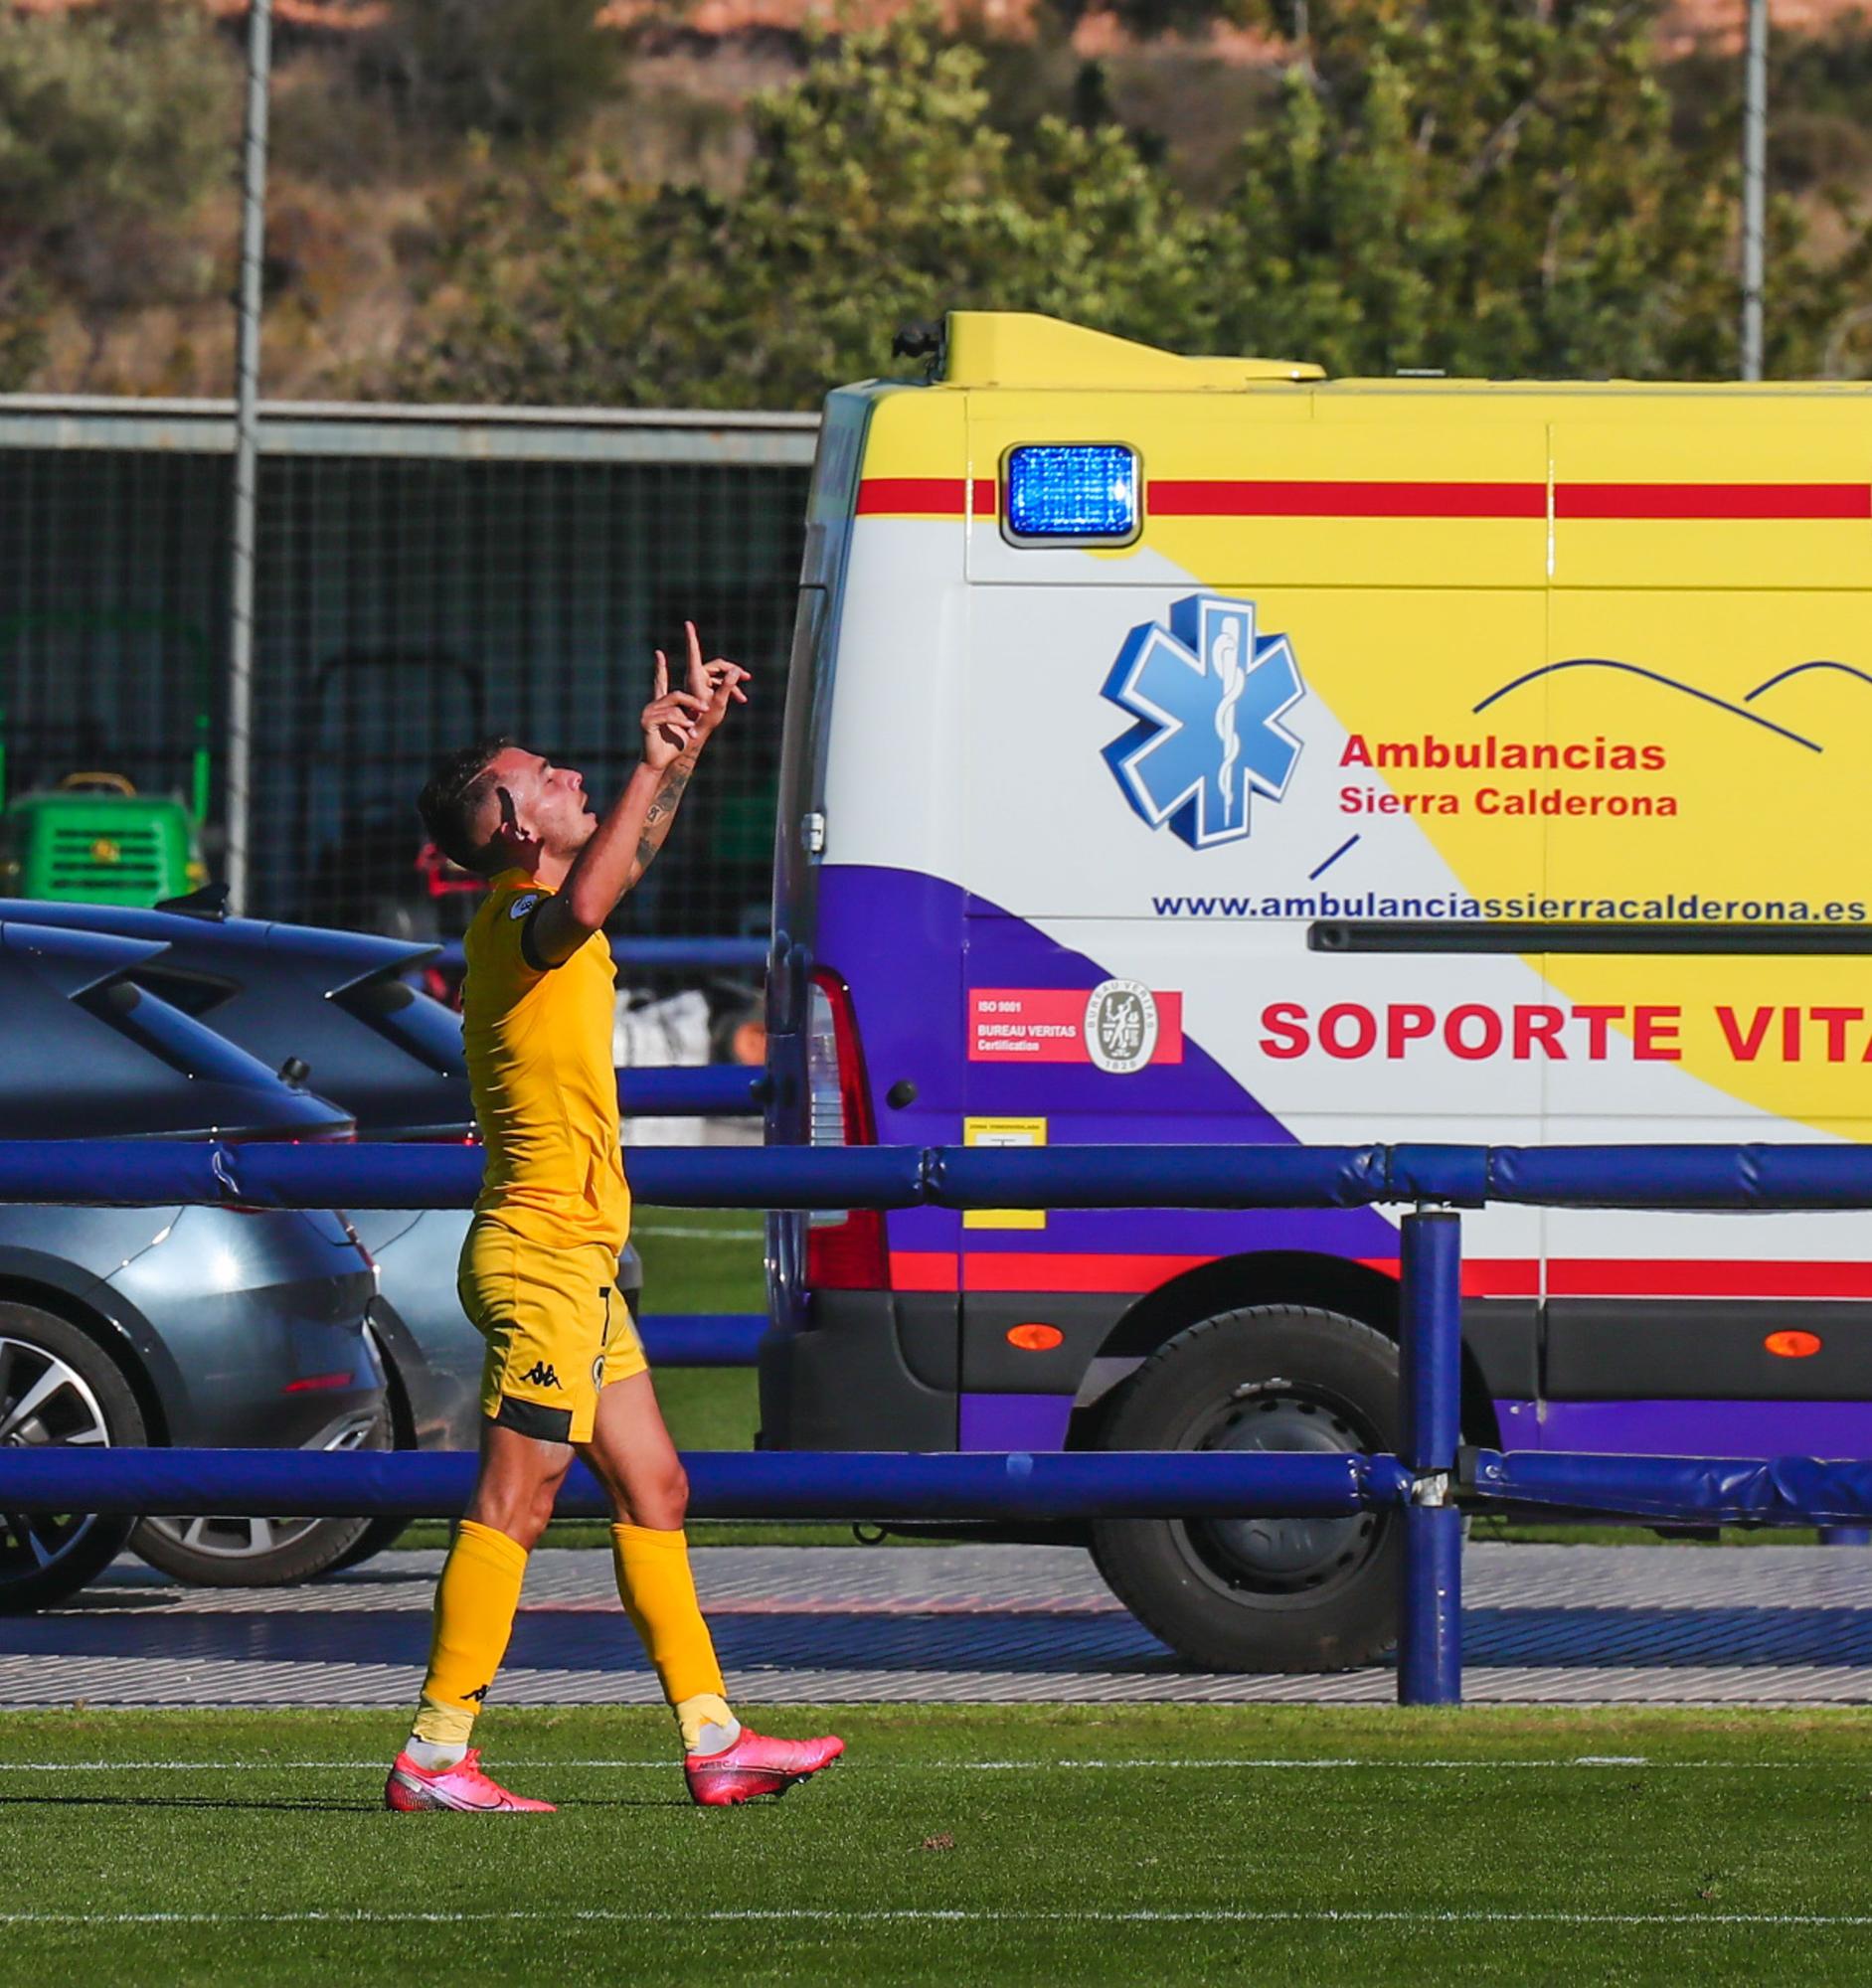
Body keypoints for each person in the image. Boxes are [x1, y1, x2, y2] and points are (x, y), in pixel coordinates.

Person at [386, 624, 842, 1813]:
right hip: (539, 1257)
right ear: (512, 822)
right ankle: (436, 1752)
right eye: (548, 774)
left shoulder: (537, 908)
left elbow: (618, 864)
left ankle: (714, 1737)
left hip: (572, 1260)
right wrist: (653, 757)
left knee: (656, 1486)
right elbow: (595, 890)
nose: (572, 775)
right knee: (516, 1499)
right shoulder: (519, 921)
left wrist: (676, 755)